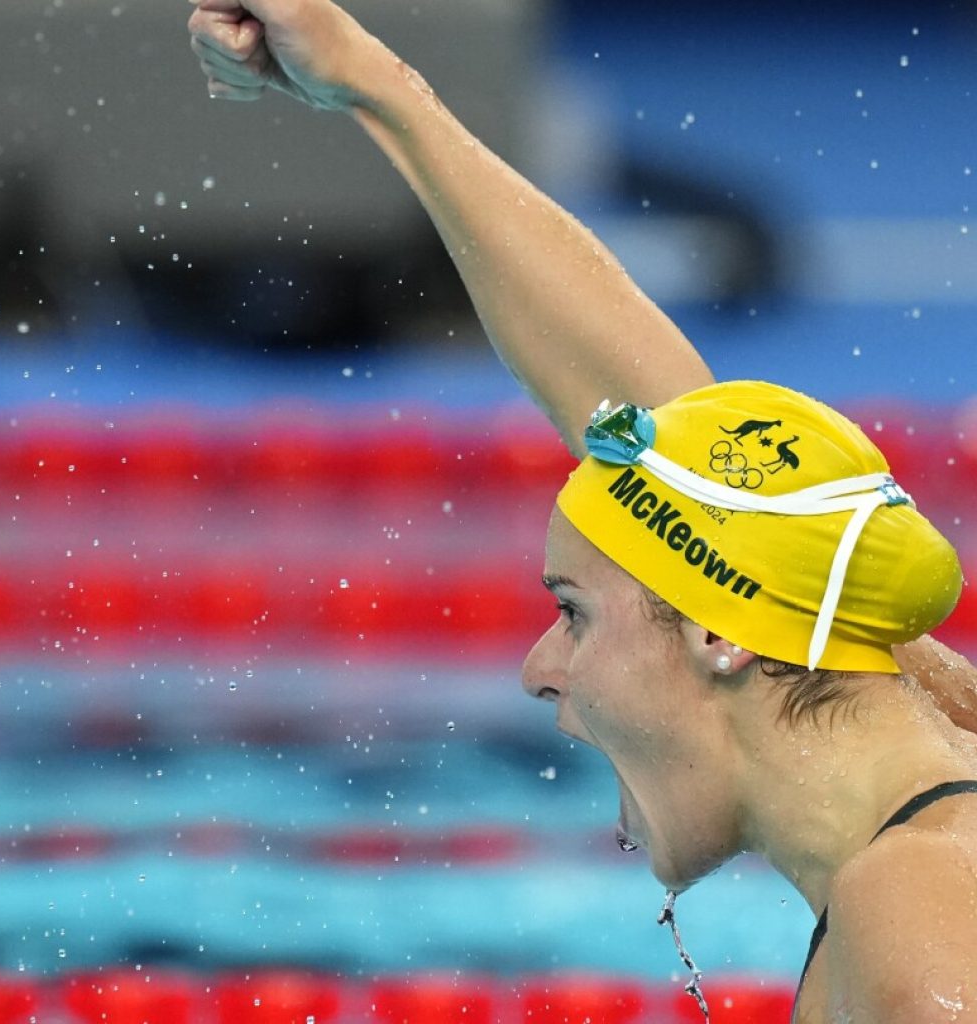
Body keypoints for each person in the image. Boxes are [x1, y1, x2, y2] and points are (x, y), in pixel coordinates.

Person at [187, 3, 977, 1019]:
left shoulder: (916, 914)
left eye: (572, 610)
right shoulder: (916, 727)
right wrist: (374, 88)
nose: (537, 668)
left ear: (717, 634)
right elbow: (655, 430)